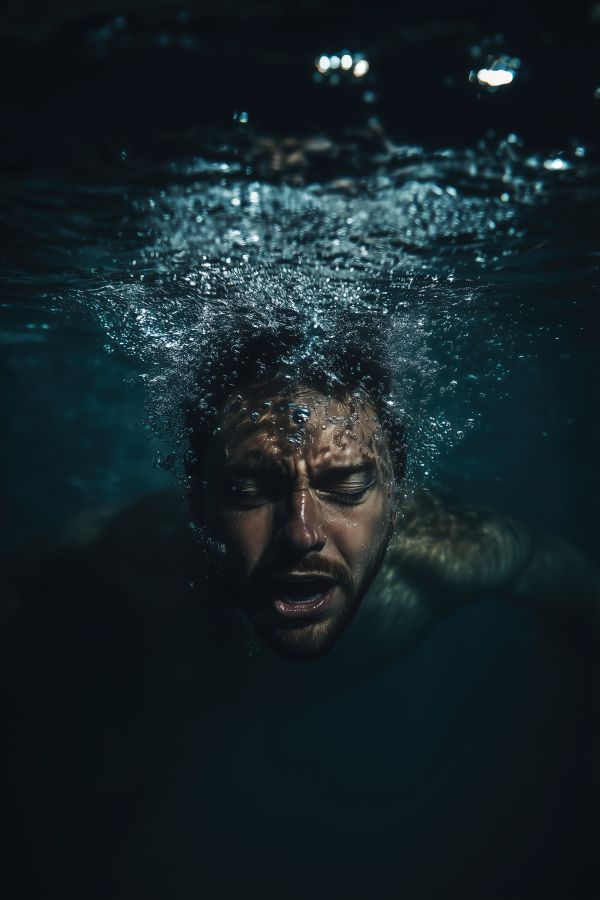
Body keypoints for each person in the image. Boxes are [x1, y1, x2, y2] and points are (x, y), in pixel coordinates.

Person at [0, 313, 598, 899]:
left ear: (397, 493)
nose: (301, 533)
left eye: (347, 486)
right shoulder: (133, 552)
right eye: (250, 490)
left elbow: (579, 596)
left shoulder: (455, 554)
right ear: (198, 500)